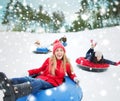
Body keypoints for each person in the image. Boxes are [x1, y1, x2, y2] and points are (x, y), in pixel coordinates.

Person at [0, 41, 80, 101]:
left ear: (64, 52)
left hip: (51, 83)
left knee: (38, 83)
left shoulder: (66, 64)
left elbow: (71, 73)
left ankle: (15, 92)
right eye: (57, 51)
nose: (59, 52)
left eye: (61, 50)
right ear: (54, 52)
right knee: (26, 79)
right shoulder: (49, 60)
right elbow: (40, 69)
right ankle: (5, 83)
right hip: (41, 78)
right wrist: (29, 72)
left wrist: (75, 78)